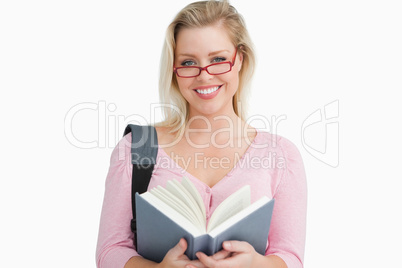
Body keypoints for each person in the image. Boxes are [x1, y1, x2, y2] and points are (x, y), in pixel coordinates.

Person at [96, 0, 307, 267]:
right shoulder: (135, 147)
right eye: (188, 62)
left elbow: (291, 257)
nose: (204, 76)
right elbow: (110, 251)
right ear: (174, 71)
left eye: (218, 59)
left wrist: (256, 263)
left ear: (240, 59)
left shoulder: (281, 155)